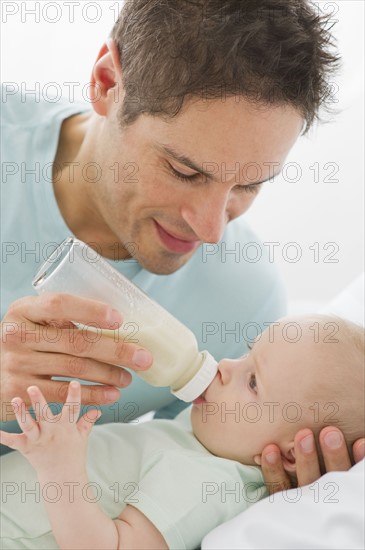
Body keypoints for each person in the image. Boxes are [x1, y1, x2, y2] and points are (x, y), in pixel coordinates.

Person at [1, 0, 362, 530]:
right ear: (106, 83)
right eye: (183, 171)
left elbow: (167, 502)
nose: (212, 229)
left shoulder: (244, 300)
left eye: (248, 185)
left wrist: (285, 499)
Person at [0, 314, 364, 549]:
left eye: (252, 381)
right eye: (247, 353)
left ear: (289, 454)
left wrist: (59, 469)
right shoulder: (208, 438)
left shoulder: (210, 481)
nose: (224, 365)